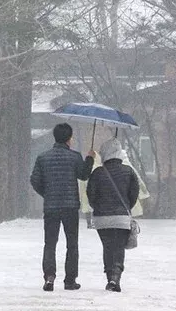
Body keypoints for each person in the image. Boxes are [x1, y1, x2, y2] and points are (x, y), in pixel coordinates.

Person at [29, 121, 90, 290]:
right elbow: (84, 176)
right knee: (72, 243)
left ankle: (49, 276)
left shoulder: (43, 158)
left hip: (51, 207)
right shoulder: (75, 157)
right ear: (69, 139)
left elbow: (34, 180)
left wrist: (47, 194)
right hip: (70, 207)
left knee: (50, 243)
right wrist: (90, 159)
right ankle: (70, 280)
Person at [86, 138, 142, 292]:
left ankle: (109, 274)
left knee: (108, 246)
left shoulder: (97, 173)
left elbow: (91, 195)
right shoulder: (129, 172)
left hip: (102, 218)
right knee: (119, 247)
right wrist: (125, 207)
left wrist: (98, 207)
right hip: (121, 217)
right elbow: (133, 194)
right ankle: (115, 277)